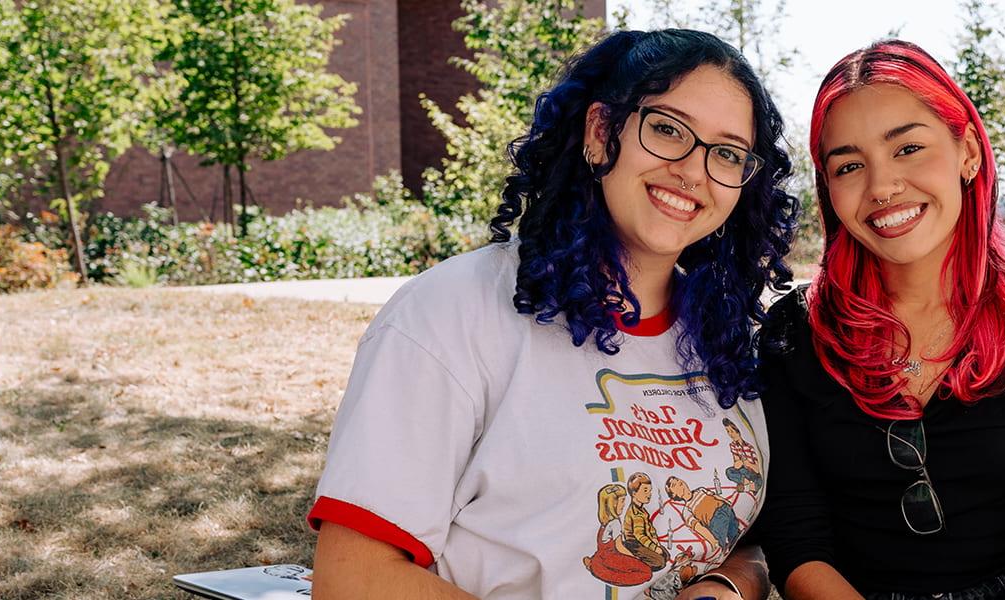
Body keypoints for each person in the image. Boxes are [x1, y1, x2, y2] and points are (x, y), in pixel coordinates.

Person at [306, 29, 798, 600]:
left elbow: (741, 538)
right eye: (667, 128)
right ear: (599, 132)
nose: (694, 170)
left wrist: (725, 588)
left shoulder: (723, 336)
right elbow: (352, 579)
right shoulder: (451, 314)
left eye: (727, 153)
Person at [752, 40, 1005, 599]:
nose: (881, 187)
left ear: (967, 150)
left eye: (908, 148)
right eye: (849, 165)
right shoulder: (795, 335)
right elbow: (796, 539)